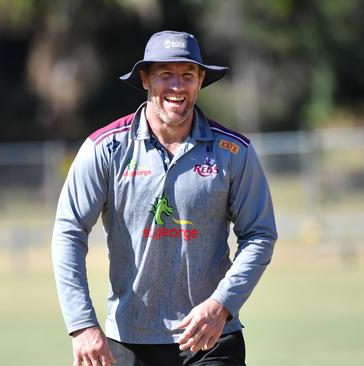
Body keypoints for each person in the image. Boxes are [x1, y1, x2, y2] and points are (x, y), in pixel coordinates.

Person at [51, 30, 277, 366]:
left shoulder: (234, 152)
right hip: (130, 339)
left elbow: (260, 234)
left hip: (212, 337)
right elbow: (68, 233)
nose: (177, 86)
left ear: (200, 81)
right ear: (145, 79)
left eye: (187, 75)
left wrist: (222, 305)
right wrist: (81, 324)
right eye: (165, 75)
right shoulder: (105, 148)